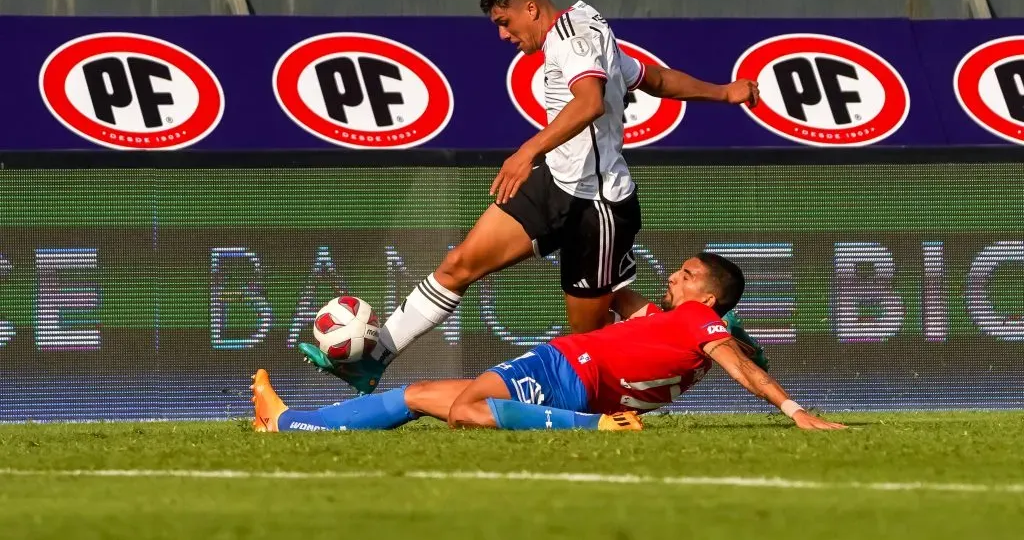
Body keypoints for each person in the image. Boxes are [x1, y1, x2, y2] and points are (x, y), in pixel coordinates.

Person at [297, 0, 761, 395]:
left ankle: (710, 336)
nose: (503, 35)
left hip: (595, 209)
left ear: (531, 7)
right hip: (555, 183)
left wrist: (526, 150)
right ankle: (374, 357)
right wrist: (724, 92)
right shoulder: (583, 30)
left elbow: (589, 103)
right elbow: (651, 79)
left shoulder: (575, 39)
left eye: (505, 22)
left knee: (589, 338)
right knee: (459, 265)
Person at [255, 253, 845, 432]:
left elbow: (741, 368)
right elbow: (615, 292)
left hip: (569, 369)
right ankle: (287, 422)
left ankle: (599, 432)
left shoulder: (699, 324)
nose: (675, 276)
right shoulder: (676, 319)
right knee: (419, 392)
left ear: (709, 300)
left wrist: (795, 412)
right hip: (579, 381)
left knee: (465, 408)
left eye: (687, 276)